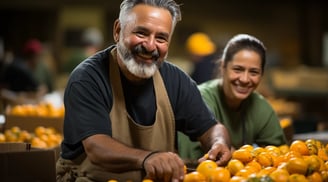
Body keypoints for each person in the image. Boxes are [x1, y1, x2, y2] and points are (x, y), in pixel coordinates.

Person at [56, 0, 232, 181]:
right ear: (117, 31)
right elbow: (97, 148)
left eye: (161, 38)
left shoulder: (176, 80)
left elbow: (211, 127)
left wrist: (218, 142)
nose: (150, 45)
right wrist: (147, 157)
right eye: (141, 33)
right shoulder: (88, 78)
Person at [178, 34, 287, 160]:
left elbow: (281, 157)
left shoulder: (261, 107)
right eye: (238, 69)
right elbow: (192, 160)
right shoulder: (199, 99)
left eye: (254, 72)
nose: (245, 79)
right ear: (223, 66)